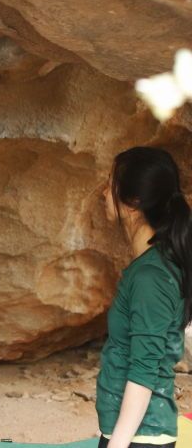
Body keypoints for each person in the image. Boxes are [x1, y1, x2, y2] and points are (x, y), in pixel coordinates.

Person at [96, 146, 192, 448]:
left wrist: (117, 445)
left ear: (133, 202)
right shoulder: (150, 268)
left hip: (140, 438)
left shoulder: (152, 277)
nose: (102, 191)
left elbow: (143, 372)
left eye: (110, 182)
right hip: (134, 435)